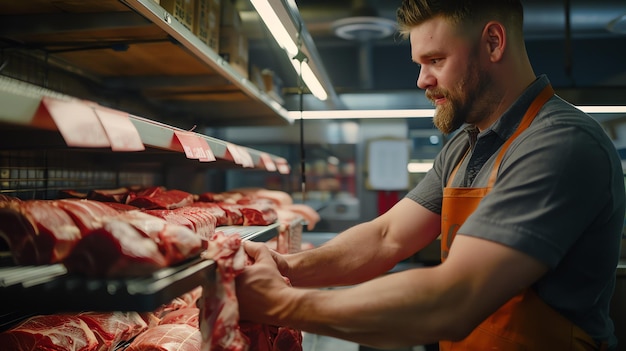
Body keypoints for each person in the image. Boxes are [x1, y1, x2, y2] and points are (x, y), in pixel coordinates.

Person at [235, 0, 626, 350]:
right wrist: (286, 267)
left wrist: (281, 303)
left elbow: (456, 299)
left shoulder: (559, 143)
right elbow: (386, 238)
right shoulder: (463, 147)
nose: (422, 80)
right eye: (420, 64)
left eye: (435, 60)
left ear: (493, 42)